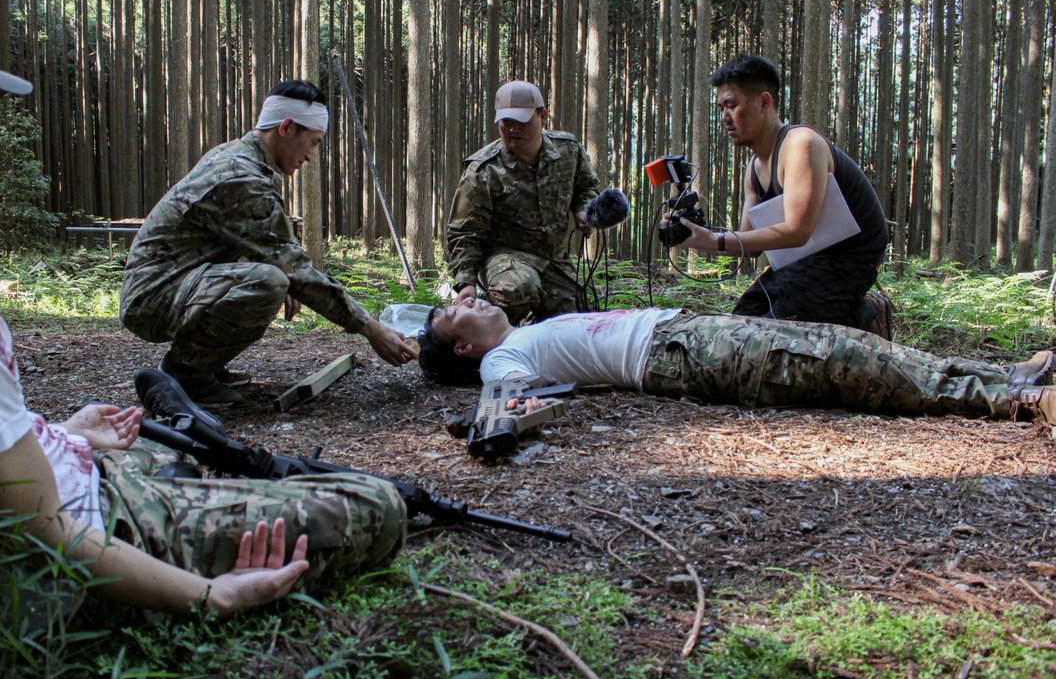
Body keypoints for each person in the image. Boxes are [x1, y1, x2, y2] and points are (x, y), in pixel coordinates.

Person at [0, 5, 405, 618]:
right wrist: (205, 596)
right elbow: (46, 528)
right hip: (106, 508)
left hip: (78, 461)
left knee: (166, 441)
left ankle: (183, 404)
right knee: (376, 503)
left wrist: (63, 435)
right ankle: (189, 384)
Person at [119, 79, 417, 405]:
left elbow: (275, 241)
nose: (311, 155)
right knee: (268, 281)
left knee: (274, 278)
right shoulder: (242, 177)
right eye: (314, 143)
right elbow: (292, 266)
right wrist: (371, 329)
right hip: (152, 296)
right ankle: (186, 376)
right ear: (287, 127)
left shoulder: (243, 158)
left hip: (173, 282)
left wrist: (288, 275)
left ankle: (205, 366)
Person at [416, 298, 1056, 432]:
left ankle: (1005, 375)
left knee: (841, 342)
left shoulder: (528, 328)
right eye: (454, 313)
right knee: (838, 359)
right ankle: (1014, 401)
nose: (465, 298)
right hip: (679, 354)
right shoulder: (504, 356)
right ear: (466, 350)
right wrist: (490, 423)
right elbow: (501, 408)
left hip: (686, 332)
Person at [674, 55, 890, 332]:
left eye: (732, 105)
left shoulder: (801, 144)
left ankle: (866, 316)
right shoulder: (754, 168)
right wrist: (696, 235)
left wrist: (715, 240)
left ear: (764, 102)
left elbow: (798, 230)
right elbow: (750, 246)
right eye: (720, 108)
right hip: (803, 263)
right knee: (741, 320)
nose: (725, 118)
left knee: (775, 333)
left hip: (849, 260)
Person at [445, 80, 601, 326]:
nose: (512, 129)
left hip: (554, 260)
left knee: (580, 318)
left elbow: (587, 187)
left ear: (543, 117)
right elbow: (464, 232)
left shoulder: (568, 152)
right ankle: (501, 342)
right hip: (504, 258)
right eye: (506, 122)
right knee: (516, 288)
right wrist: (466, 283)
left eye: (521, 121)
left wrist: (584, 210)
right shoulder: (484, 170)